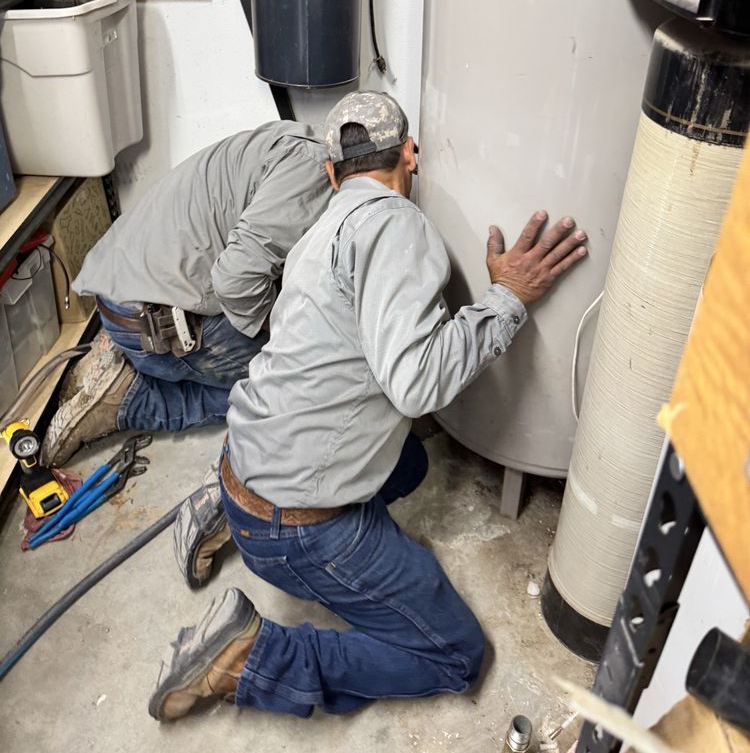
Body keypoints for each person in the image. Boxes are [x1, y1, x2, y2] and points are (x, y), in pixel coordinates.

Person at [147, 91, 588, 722]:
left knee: (408, 465)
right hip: (294, 525)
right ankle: (250, 658)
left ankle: (223, 508)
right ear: (411, 154)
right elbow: (416, 384)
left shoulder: (318, 232)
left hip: (242, 461)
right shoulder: (398, 224)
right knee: (457, 655)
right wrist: (506, 297)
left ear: (332, 173)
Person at [42, 121, 331, 469]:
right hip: (158, 325)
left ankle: (125, 359)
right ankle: (131, 400)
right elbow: (236, 282)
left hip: (120, 289)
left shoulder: (293, 142)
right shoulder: (314, 176)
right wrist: (289, 341)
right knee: (311, 389)